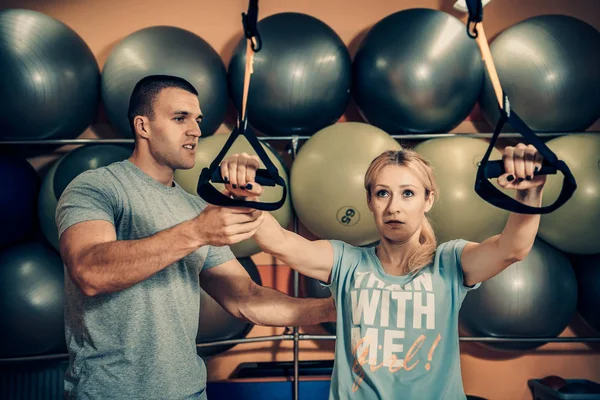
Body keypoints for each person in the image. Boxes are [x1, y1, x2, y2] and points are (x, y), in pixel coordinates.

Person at [56, 75, 335, 400]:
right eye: (180, 118)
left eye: (198, 120)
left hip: (189, 393)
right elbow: (89, 271)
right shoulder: (98, 188)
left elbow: (245, 297)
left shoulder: (194, 207)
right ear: (142, 126)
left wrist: (331, 309)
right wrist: (196, 232)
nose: (196, 130)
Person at [220, 143, 546, 399]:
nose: (394, 207)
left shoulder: (450, 262)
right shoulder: (346, 261)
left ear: (428, 200)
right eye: (382, 193)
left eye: (408, 193)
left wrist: (529, 192)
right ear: (370, 201)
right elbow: (279, 242)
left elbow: (513, 248)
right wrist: (244, 196)